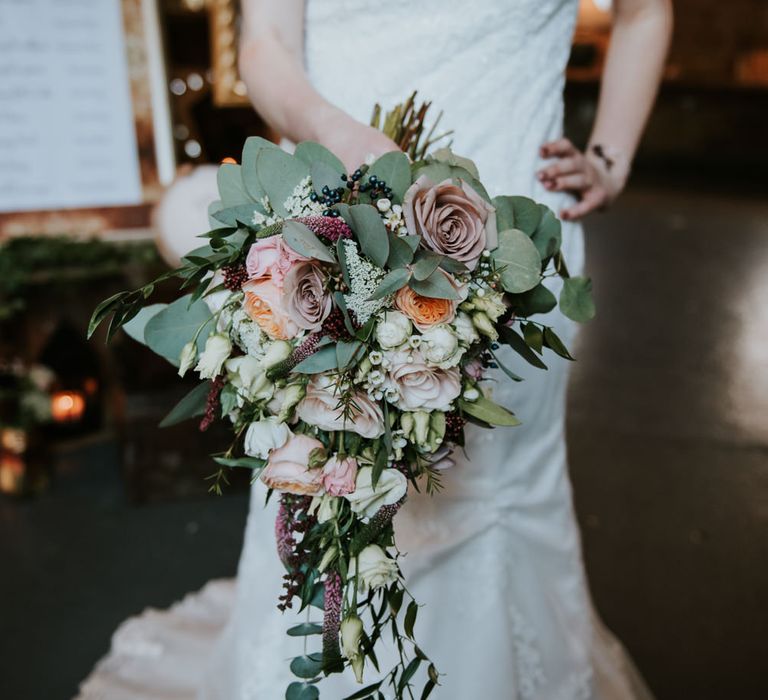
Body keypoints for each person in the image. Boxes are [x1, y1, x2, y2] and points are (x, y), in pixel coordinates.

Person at [78, 1, 672, 698]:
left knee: (494, 498)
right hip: (338, 232)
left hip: (513, 255)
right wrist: (341, 139)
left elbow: (644, 11)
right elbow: (266, 42)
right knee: (327, 482)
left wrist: (609, 159)